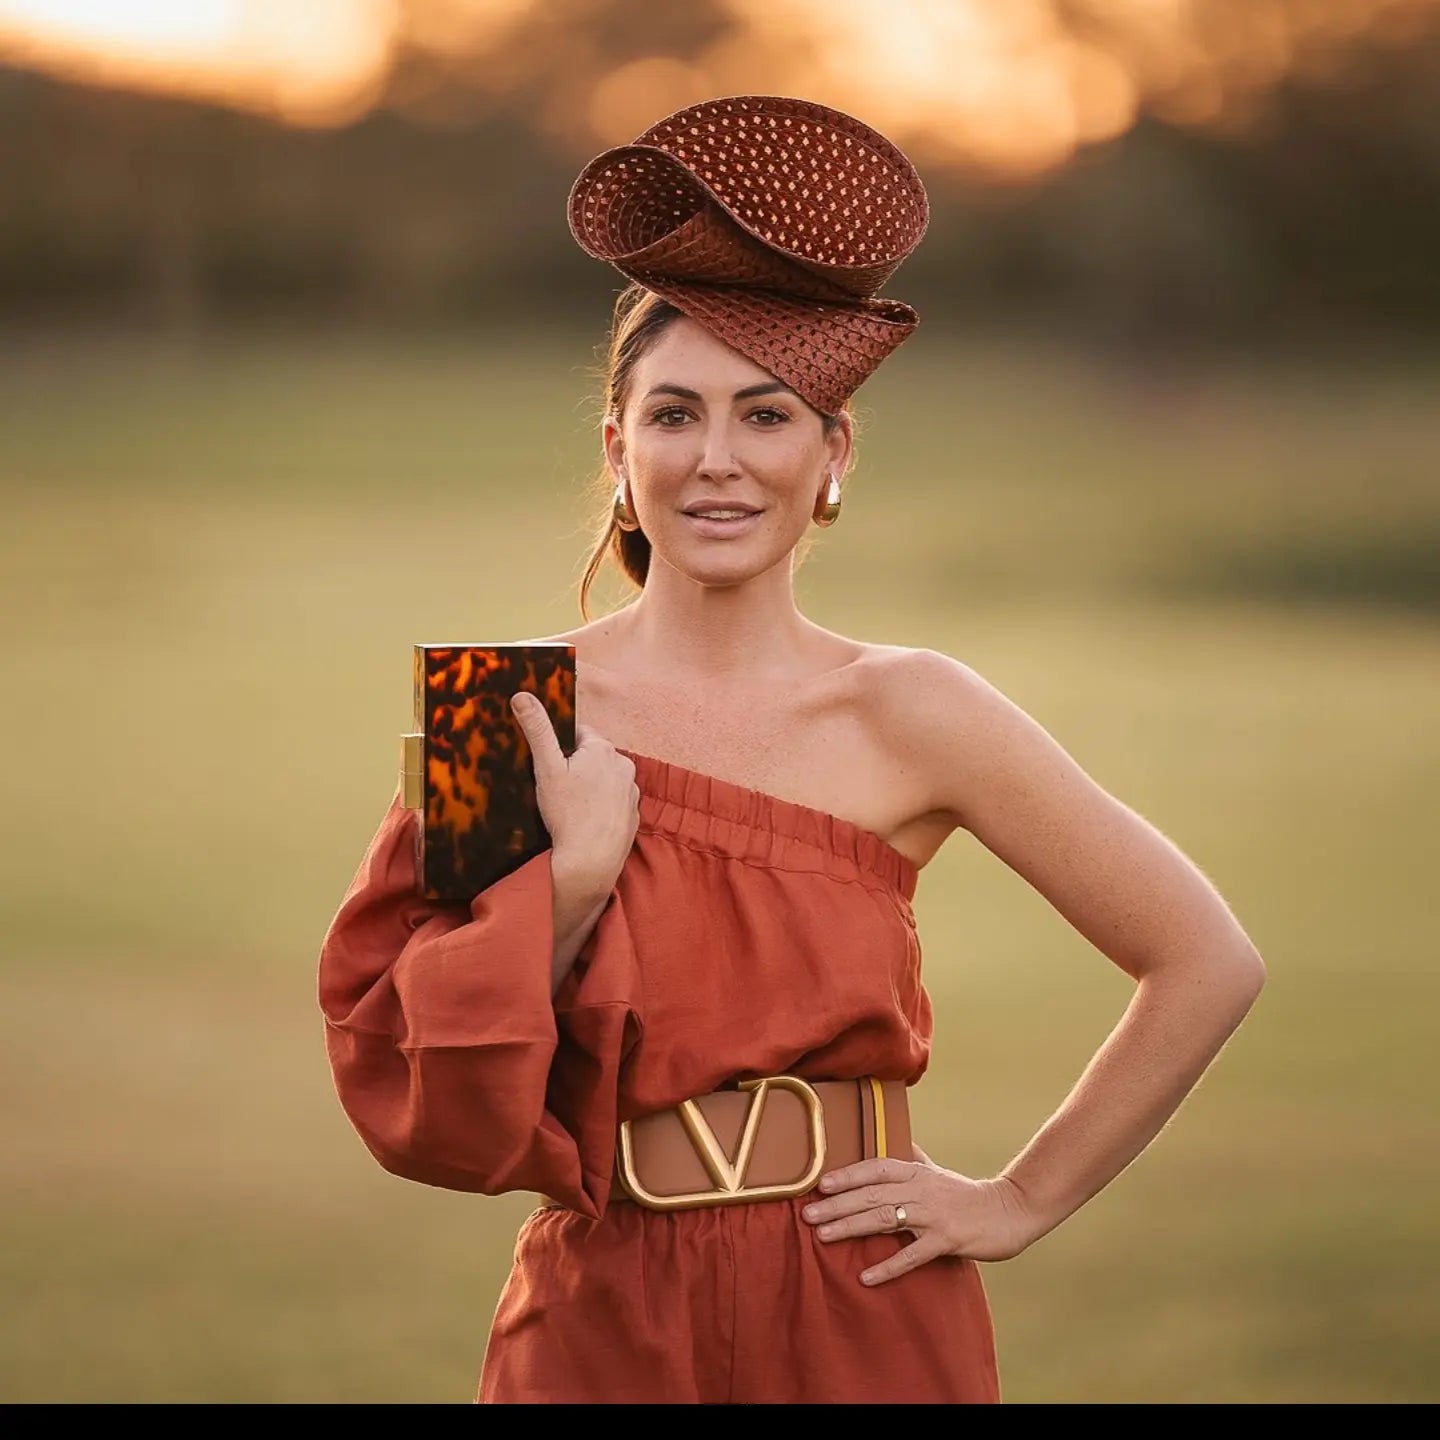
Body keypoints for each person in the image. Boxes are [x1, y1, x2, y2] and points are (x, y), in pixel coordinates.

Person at [316, 95, 1266, 1405]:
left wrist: (1020, 1198)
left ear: (834, 454)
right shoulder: (504, 706)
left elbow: (1207, 960)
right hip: (602, 1314)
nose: (717, 460)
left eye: (766, 417)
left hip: (859, 1303)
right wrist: (571, 883)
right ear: (618, 450)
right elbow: (422, 1100)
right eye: (674, 416)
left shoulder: (914, 710)